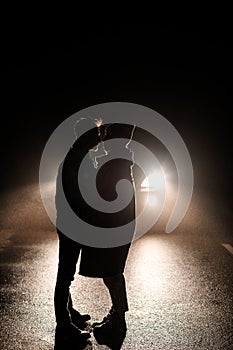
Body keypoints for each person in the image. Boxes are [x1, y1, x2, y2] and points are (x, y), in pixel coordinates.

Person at [54, 120, 135, 349]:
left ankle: (106, 320)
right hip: (76, 227)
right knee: (67, 275)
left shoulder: (101, 161)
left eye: (105, 134)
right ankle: (66, 323)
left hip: (101, 228)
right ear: (86, 136)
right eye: (98, 134)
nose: (101, 138)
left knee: (109, 273)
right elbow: (83, 197)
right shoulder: (81, 160)